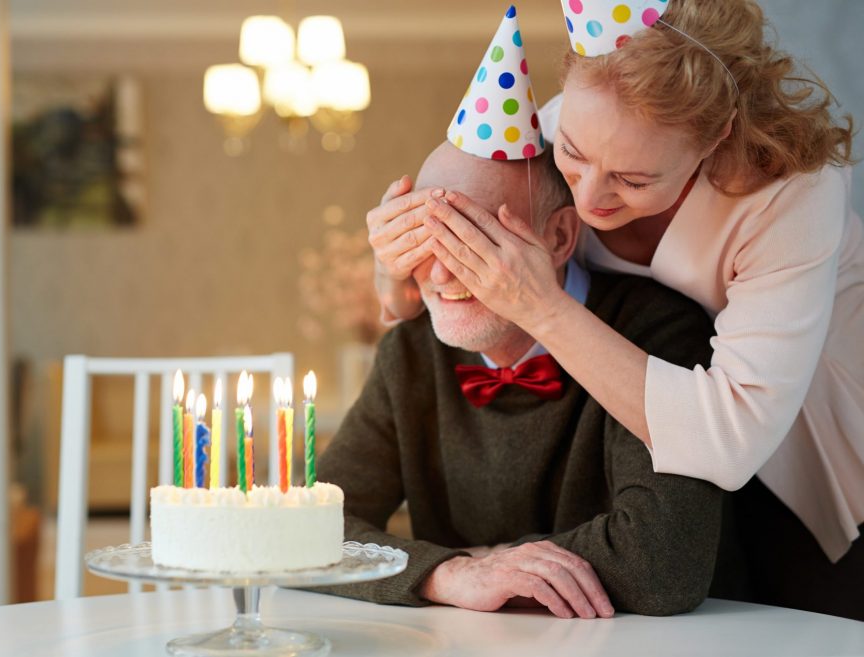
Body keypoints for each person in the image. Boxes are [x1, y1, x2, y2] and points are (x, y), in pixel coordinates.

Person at [368, 0, 863, 619]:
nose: (588, 196)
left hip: (807, 433)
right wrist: (393, 272)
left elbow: (731, 440)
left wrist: (541, 307)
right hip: (661, 437)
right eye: (573, 152)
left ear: (715, 140)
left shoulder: (791, 190)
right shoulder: (548, 135)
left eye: (632, 180)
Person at [314, 137, 748, 617]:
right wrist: (448, 573)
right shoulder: (411, 352)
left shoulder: (657, 331)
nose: (438, 273)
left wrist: (496, 565)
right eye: (424, 237)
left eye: (473, 239)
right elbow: (307, 533)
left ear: (559, 238)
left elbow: (664, 566)